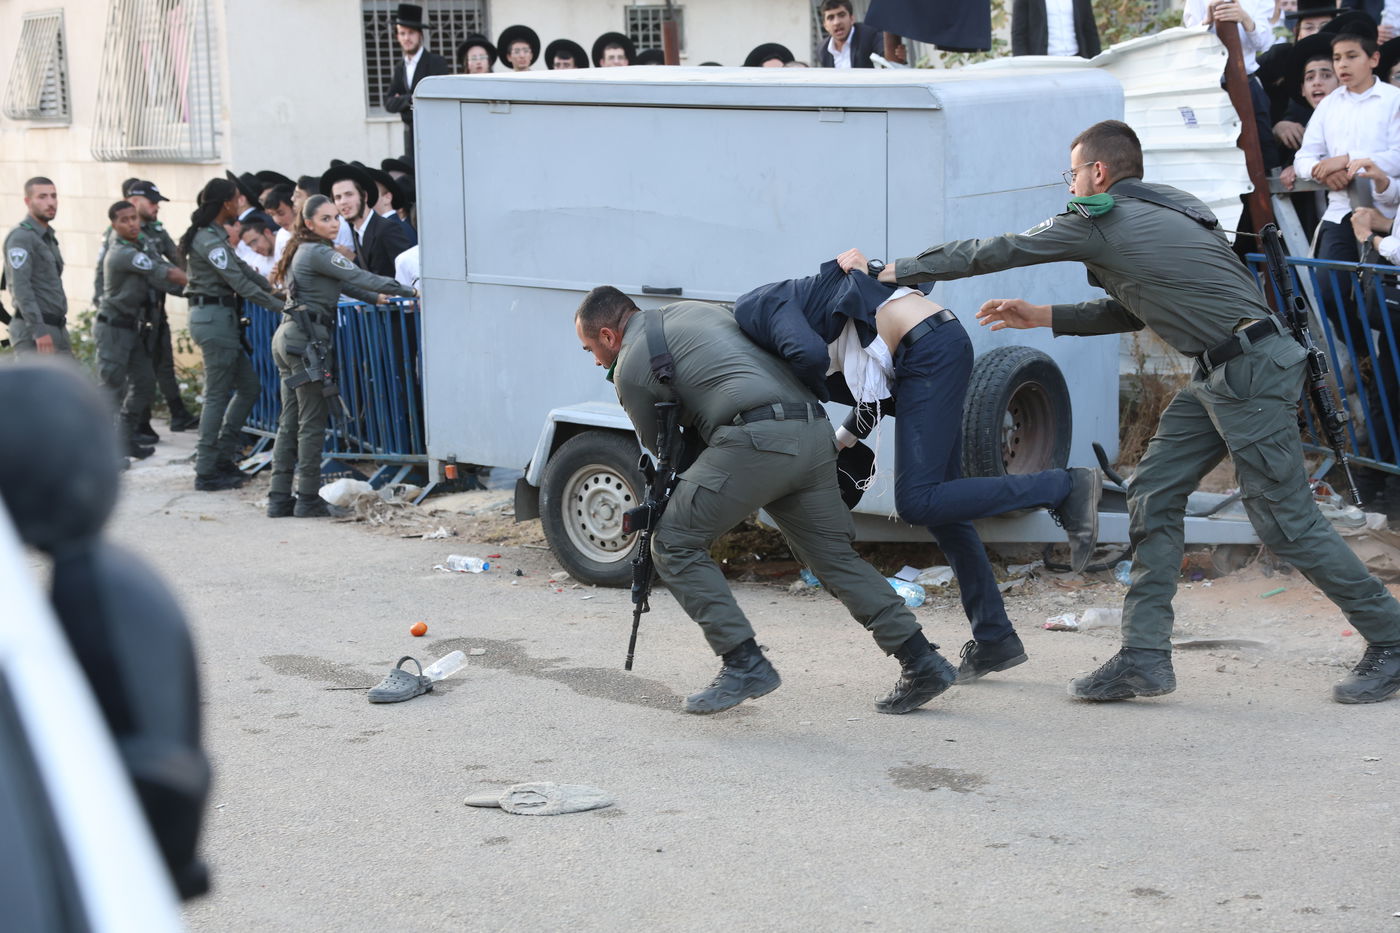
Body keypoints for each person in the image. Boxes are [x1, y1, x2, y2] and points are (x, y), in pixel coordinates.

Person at [877, 119, 1400, 704]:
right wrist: (1043, 315)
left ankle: (1391, 637)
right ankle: (1145, 656)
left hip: (1246, 370)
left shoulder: (1096, 216)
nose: (1069, 184)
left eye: (1071, 172)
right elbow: (1136, 310)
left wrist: (896, 270)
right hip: (1223, 367)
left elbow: (998, 250)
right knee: (1153, 490)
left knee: (1286, 522)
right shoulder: (1170, 211)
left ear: (1097, 172)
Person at [574, 287, 961, 716]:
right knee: (833, 557)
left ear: (608, 335)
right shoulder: (697, 312)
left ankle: (744, 663)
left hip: (756, 439)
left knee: (673, 541)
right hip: (814, 430)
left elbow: (668, 453)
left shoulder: (630, 364)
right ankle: (922, 660)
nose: (595, 360)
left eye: (590, 348)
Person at [734, 256, 1101, 683]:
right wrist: (836, 444)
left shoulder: (754, 309)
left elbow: (808, 354)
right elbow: (868, 390)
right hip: (924, 349)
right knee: (946, 513)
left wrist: (797, 407)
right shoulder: (804, 316)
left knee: (917, 501)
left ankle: (1063, 485)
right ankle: (995, 637)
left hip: (927, 349)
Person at [267, 195, 418, 518]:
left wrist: (377, 297)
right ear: (309, 224)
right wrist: (409, 290)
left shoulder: (304, 250)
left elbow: (349, 288)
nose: (334, 224)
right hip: (304, 343)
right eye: (326, 219)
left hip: (290, 337)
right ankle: (307, 498)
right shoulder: (319, 252)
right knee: (311, 422)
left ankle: (279, 497)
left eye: (336, 218)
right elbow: (358, 276)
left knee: (290, 420)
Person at [177, 177, 282, 492]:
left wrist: (275, 290)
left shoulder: (215, 237)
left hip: (220, 319)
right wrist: (280, 307)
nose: (241, 203)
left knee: (248, 387)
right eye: (236, 199)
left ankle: (222, 455)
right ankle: (207, 469)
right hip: (213, 320)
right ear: (225, 203)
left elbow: (245, 271)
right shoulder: (208, 240)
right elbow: (240, 283)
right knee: (217, 395)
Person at [98, 201, 188, 460]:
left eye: (134, 218)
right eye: (124, 220)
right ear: (114, 225)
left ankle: (125, 439)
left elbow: (162, 278)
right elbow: (165, 271)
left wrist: (192, 291)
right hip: (113, 328)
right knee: (111, 388)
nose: (132, 224)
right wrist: (198, 284)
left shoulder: (142, 244)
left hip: (134, 328)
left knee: (145, 383)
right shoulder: (123, 252)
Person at [4, 177, 69, 355]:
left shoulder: (47, 236)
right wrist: (39, 332)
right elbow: (20, 288)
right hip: (34, 332)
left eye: (53, 196)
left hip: (57, 328)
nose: (50, 202)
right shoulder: (21, 237)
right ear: (28, 201)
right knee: (33, 383)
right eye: (42, 197)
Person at [384, 3, 451, 158]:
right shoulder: (400, 67)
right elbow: (388, 103)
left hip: (433, 133)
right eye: (402, 33)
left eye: (411, 33)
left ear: (420, 34)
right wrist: (413, 98)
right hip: (409, 135)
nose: (407, 38)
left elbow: (438, 98)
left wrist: (403, 100)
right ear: (397, 36)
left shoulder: (436, 62)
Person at [320, 163, 411, 278]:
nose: (343, 202)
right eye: (338, 197)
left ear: (364, 196)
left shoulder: (387, 229)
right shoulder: (356, 231)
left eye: (349, 194)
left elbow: (408, 272)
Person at [1011, 0, 1102, 57]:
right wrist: (1023, 68)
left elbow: (1090, 30)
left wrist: (1097, 61)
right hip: (1045, 63)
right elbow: (1018, 34)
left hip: (1077, 59)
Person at [817, 0, 884, 69]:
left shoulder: (869, 35)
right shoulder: (822, 49)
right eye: (831, 18)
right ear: (825, 26)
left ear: (852, 18)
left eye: (841, 15)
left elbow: (887, 60)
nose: (836, 22)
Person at [261, 185, 298, 263]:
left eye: (281, 213)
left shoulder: (313, 230)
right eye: (272, 215)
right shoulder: (281, 235)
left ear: (294, 208)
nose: (277, 220)